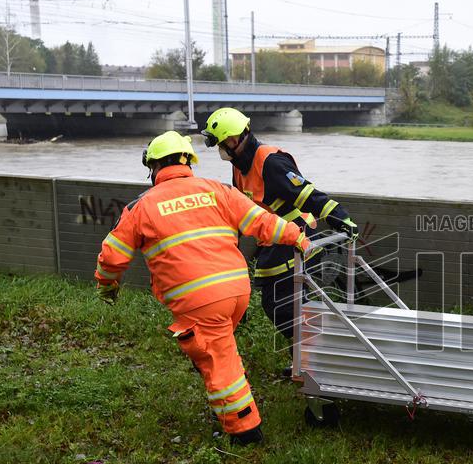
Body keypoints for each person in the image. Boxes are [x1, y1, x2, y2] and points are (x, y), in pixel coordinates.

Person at [94, 131, 311, 446]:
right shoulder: (217, 190)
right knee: (219, 350)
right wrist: (298, 236)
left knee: (218, 362)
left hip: (199, 300)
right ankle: (225, 402)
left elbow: (112, 255)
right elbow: (263, 222)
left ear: (153, 167)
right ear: (188, 161)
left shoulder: (141, 206)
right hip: (236, 290)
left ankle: (245, 432)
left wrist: (107, 286)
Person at [200, 108, 358, 374]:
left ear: (234, 139)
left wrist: (339, 216)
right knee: (291, 301)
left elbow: (306, 193)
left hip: (297, 236)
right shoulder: (239, 168)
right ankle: (309, 357)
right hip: (275, 238)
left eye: (220, 143)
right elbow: (243, 211)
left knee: (280, 303)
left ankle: (312, 359)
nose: (219, 150)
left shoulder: (271, 162)